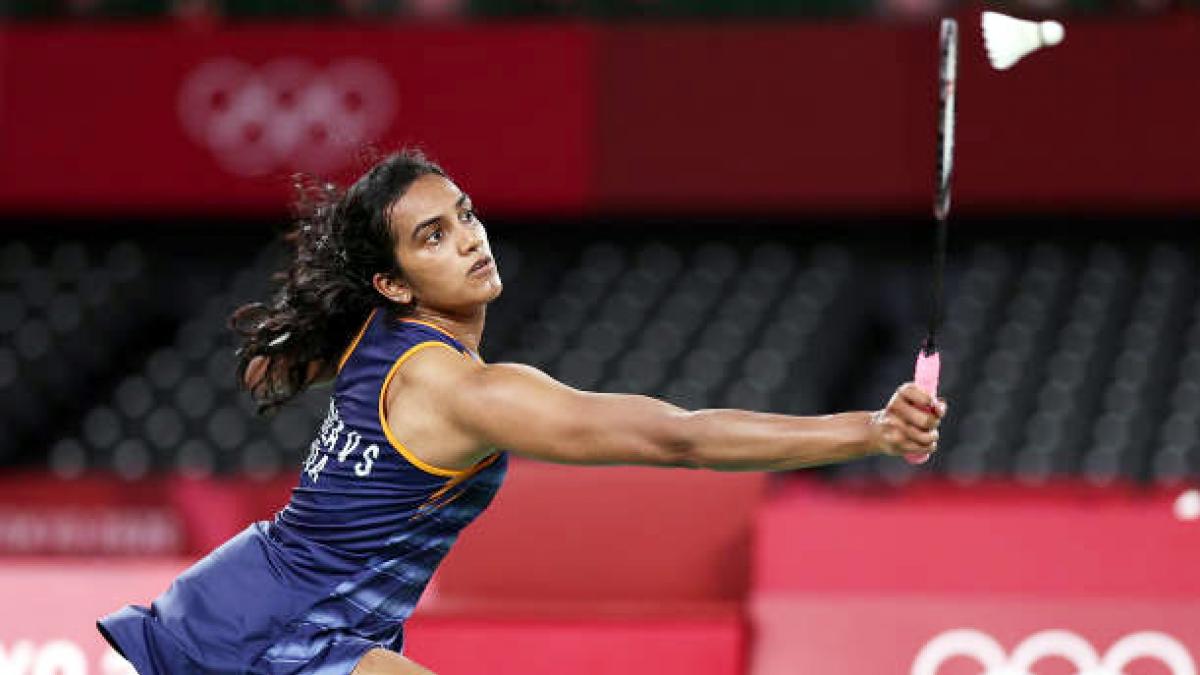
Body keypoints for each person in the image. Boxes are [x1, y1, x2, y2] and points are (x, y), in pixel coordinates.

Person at [97, 149, 946, 675]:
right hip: (276, 631)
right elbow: (676, 434)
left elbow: (278, 362)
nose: (469, 237)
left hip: (246, 603)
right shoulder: (468, 392)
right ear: (393, 282)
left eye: (462, 214)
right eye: (432, 235)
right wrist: (867, 428)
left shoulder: (373, 330)